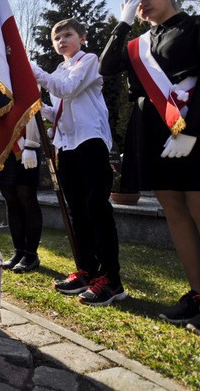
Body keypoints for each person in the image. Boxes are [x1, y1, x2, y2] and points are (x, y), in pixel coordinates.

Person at [100, 0, 200, 338]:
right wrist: (123, 21)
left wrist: (192, 130)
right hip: (155, 133)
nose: (142, 4)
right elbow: (105, 68)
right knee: (176, 211)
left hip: (198, 127)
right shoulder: (138, 43)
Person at [31, 18, 123, 306]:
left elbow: (68, 90)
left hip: (90, 141)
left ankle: (112, 279)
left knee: (96, 208)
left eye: (67, 35)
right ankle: (87, 269)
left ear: (82, 37)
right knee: (77, 212)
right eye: (56, 38)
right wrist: (38, 108)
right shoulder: (59, 70)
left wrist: (35, 73)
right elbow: (59, 110)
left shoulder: (89, 61)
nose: (61, 42)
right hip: (67, 145)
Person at [0, 118, 44, 273]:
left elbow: (32, 106)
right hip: (2, 145)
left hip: (25, 144)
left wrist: (31, 144)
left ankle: (31, 254)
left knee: (26, 196)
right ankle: (18, 251)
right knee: (10, 198)